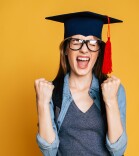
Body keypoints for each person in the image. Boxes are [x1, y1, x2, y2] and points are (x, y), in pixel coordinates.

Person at [34, 11, 127, 156]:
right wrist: (42, 103)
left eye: (92, 43)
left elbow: (118, 150)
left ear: (99, 51)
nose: (84, 49)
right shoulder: (51, 92)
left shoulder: (115, 90)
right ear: (65, 49)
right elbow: (49, 151)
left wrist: (110, 101)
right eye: (76, 42)